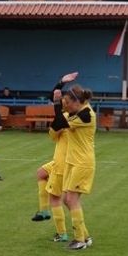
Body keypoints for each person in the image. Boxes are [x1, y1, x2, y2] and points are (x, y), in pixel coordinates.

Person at [31, 73, 78, 244]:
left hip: (63, 162)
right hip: (60, 159)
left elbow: (54, 129)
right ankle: (44, 211)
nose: (60, 102)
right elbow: (54, 98)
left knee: (56, 198)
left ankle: (62, 233)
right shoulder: (73, 115)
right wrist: (61, 83)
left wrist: (59, 89)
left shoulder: (65, 118)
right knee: (41, 173)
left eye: (64, 101)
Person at [50, 84, 96, 251]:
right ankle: (85, 236)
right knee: (66, 200)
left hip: (82, 163)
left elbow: (60, 122)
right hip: (73, 161)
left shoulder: (86, 115)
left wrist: (56, 104)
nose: (66, 106)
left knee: (71, 200)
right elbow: (60, 119)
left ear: (76, 101)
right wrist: (58, 90)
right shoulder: (78, 110)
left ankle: (79, 240)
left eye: (68, 103)